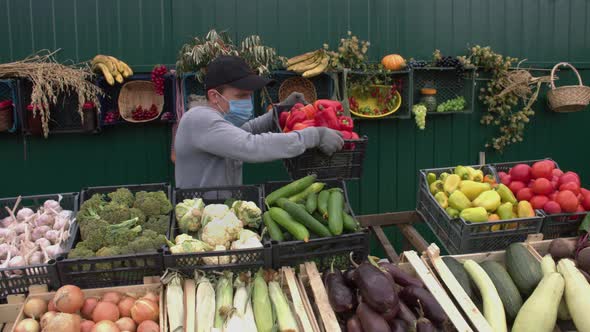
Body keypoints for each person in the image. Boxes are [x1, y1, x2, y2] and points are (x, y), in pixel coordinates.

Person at [174, 55, 344, 189]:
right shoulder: (199, 119)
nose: (248, 101)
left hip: (222, 214)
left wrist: (279, 111)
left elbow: (247, 130)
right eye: (241, 96)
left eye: (249, 95)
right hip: (201, 220)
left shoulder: (219, 122)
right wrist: (314, 135)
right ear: (213, 96)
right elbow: (251, 145)